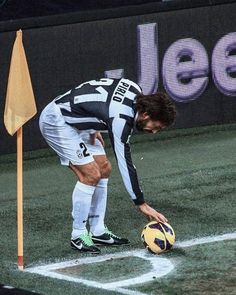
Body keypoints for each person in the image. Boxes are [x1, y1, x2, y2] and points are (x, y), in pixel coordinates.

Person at [39, 78, 176, 254]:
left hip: (78, 122)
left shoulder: (134, 88)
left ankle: (97, 230)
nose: (154, 131)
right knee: (90, 175)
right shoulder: (121, 119)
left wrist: (92, 122)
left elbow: (92, 91)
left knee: (104, 169)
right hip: (57, 121)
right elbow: (125, 162)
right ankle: (78, 235)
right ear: (146, 115)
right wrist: (141, 203)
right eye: (156, 126)